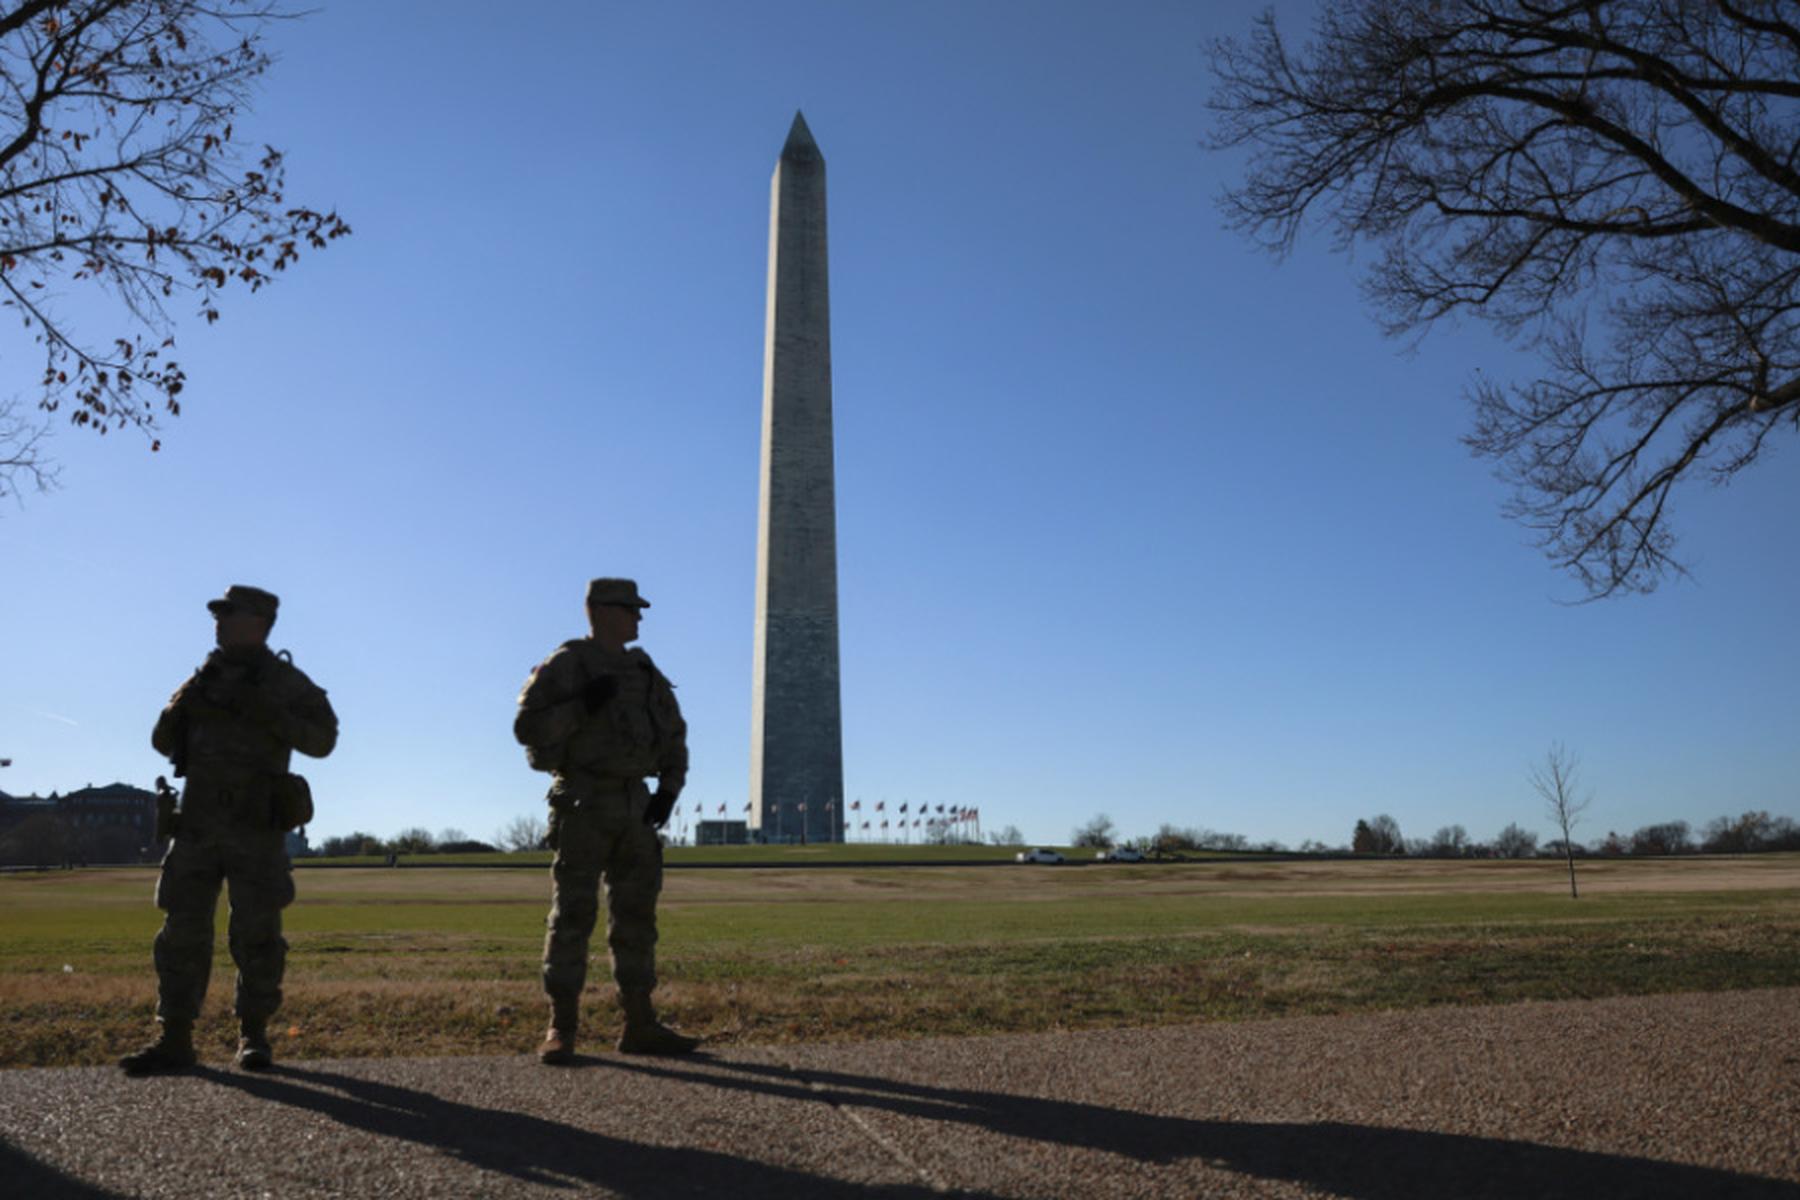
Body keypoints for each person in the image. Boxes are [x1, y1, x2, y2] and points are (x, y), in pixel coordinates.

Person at [120, 585, 338, 1075]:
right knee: (180, 933)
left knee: (257, 934)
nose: (218, 622)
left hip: (255, 828)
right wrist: (187, 700)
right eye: (217, 615)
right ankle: (174, 1037)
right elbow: (161, 740)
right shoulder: (203, 677)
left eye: (229, 614)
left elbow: (324, 740)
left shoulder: (284, 681)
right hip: (196, 827)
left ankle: (253, 1036)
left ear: (260, 622)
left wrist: (268, 711)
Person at [514, 577, 697, 1063]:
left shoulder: (644, 669)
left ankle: (640, 1022)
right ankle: (561, 1027)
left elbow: (675, 732)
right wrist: (582, 705)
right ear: (599, 610)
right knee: (573, 915)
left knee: (636, 919)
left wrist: (669, 791)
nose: (638, 618)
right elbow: (527, 729)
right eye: (630, 609)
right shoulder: (567, 664)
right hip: (583, 802)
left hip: (635, 808)